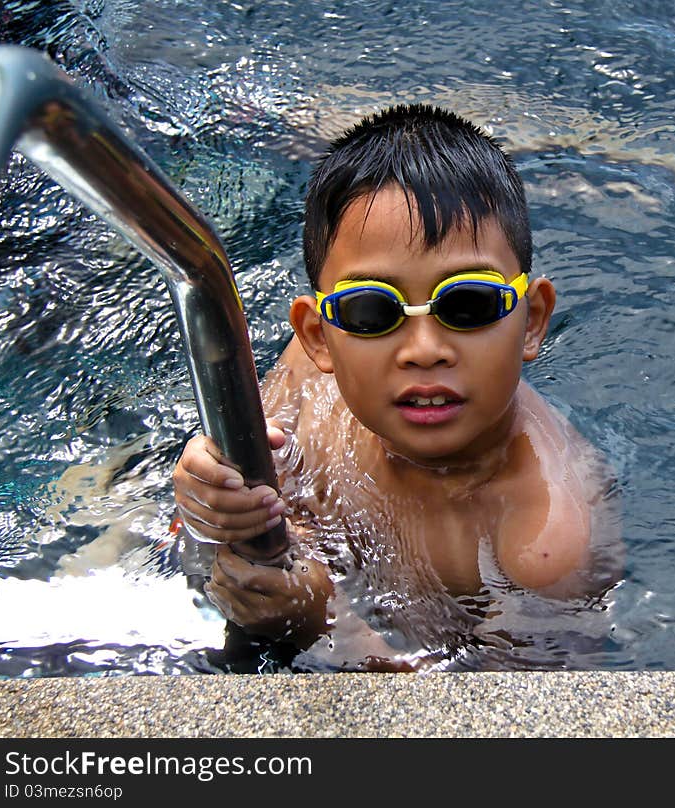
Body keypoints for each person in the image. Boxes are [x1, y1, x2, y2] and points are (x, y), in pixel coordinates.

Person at [172, 104, 622, 671]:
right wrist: (211, 502)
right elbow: (243, 525)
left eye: (468, 302)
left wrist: (322, 623)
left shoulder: (545, 545)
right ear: (319, 336)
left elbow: (512, 723)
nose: (423, 347)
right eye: (369, 311)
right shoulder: (309, 381)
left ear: (532, 321)